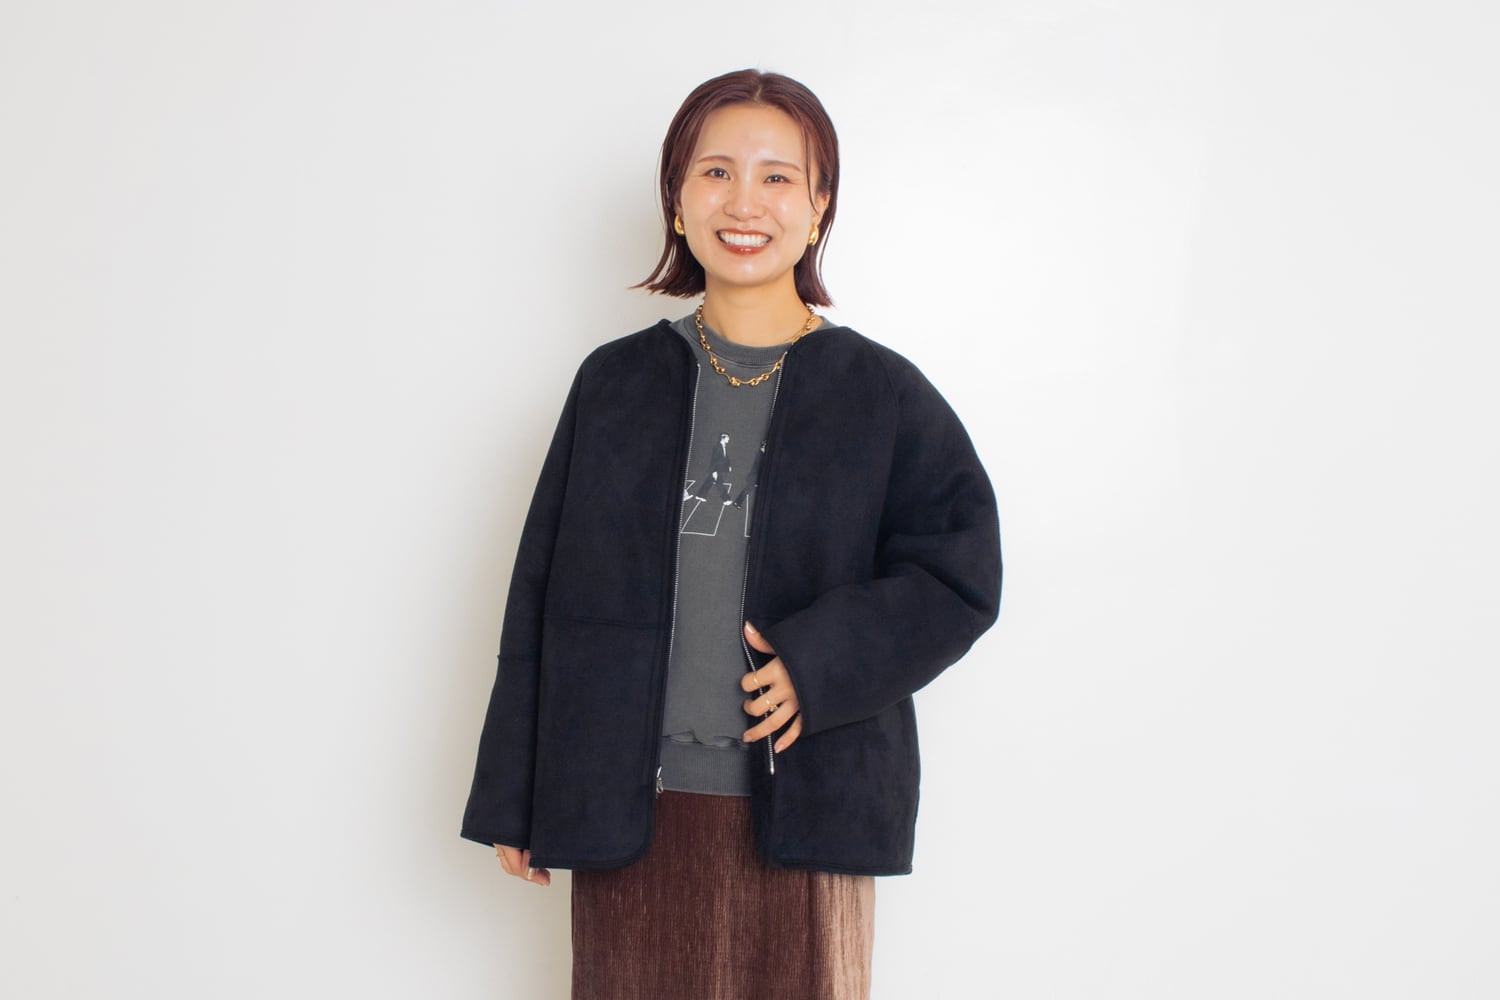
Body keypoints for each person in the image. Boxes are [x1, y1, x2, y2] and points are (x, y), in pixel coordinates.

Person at [461, 68, 1002, 1000]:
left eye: (778, 177)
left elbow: (959, 575)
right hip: (627, 807)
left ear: (820, 206)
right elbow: (541, 593)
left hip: (807, 810)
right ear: (677, 200)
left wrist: (819, 665)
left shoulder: (880, 394)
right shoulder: (614, 385)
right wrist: (515, 790)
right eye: (715, 172)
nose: (744, 202)